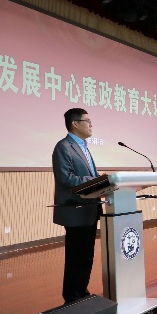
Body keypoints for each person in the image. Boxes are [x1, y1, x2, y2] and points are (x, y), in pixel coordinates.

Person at [53, 108, 102, 303]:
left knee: (87, 256)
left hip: (90, 209)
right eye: (87, 121)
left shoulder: (83, 147)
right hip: (76, 210)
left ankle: (83, 293)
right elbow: (66, 178)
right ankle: (71, 298)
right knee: (75, 257)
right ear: (75, 123)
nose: (91, 124)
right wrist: (95, 181)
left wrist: (99, 182)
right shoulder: (63, 147)